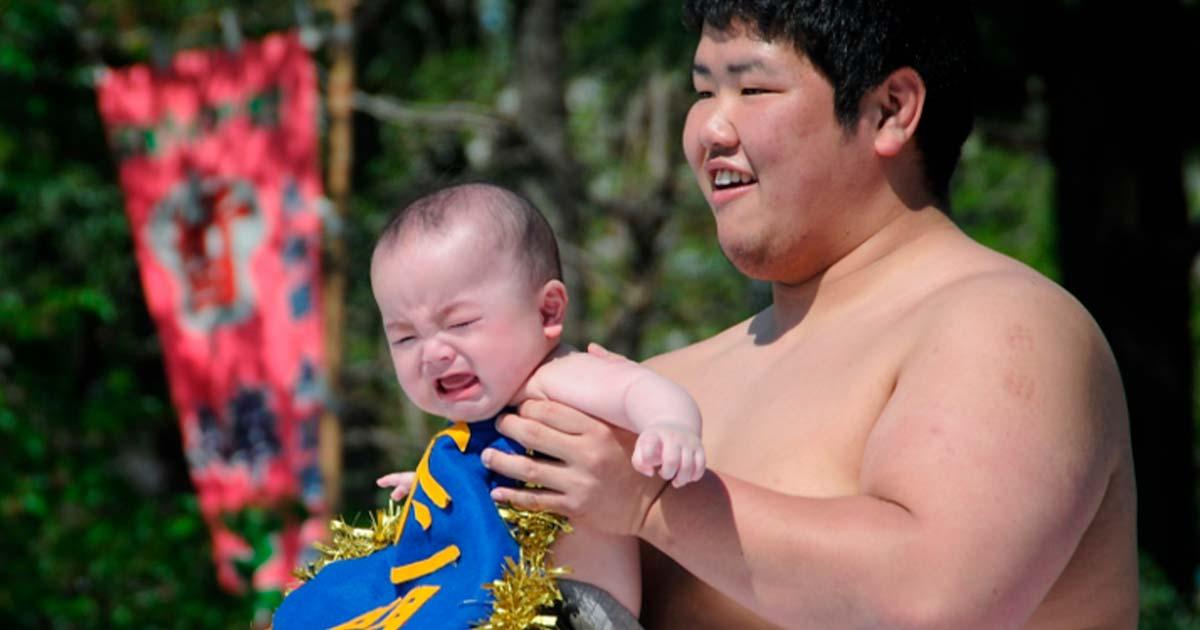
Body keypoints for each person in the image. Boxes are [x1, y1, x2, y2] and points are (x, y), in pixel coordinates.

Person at [479, 1, 1139, 628]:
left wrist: (653, 502)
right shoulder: (659, 389)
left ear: (891, 109)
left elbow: (937, 600)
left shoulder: (1010, 326)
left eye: (754, 90)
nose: (710, 128)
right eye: (704, 91)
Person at [364, 183, 703, 621]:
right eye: (406, 337)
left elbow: (639, 388)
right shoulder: (478, 420)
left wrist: (669, 426)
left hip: (574, 608)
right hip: (498, 602)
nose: (433, 353)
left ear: (547, 312)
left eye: (461, 322)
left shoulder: (558, 377)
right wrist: (439, 488)